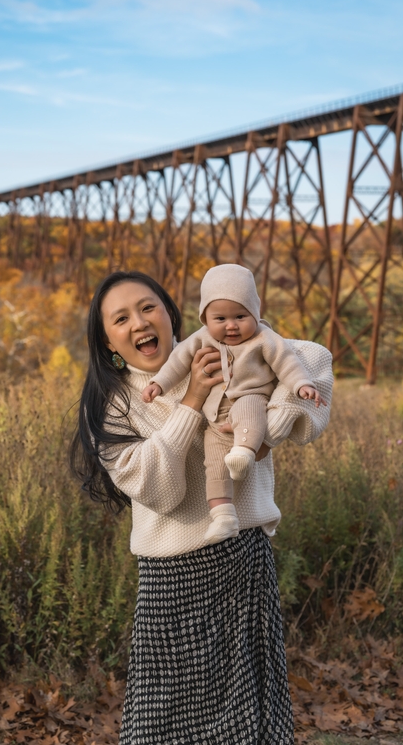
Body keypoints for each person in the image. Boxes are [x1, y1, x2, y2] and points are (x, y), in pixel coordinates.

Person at [70, 270, 332, 745]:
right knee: (164, 722)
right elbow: (157, 488)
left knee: (250, 719)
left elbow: (313, 359)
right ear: (107, 339)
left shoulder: (228, 353)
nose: (139, 323)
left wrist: (264, 428)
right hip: (172, 579)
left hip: (243, 558)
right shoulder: (113, 407)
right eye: (121, 318)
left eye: (148, 307)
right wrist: (191, 400)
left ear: (174, 315)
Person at [141, 263, 327, 544]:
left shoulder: (264, 338)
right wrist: (159, 383)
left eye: (241, 316)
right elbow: (176, 363)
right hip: (215, 417)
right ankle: (223, 515)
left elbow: (288, 361)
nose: (231, 325)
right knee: (213, 464)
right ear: (205, 319)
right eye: (220, 318)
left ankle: (244, 452)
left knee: (249, 412)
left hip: (252, 396)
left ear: (255, 313)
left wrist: (302, 385)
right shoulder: (201, 338)